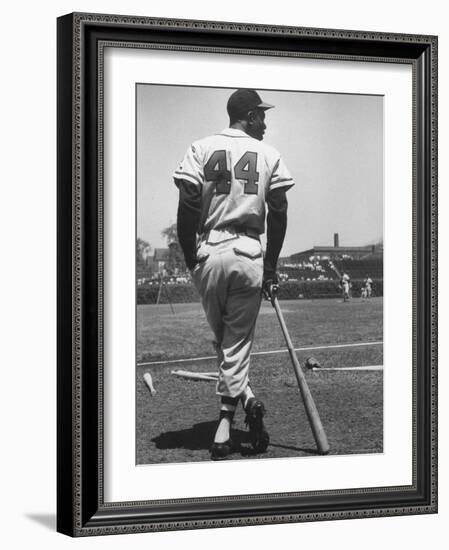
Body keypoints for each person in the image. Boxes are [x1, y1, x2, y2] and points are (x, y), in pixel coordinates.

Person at [173, 89, 294, 460]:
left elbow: (189, 202)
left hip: (209, 251)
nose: (265, 122)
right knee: (234, 343)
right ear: (247, 116)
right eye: (261, 115)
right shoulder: (269, 154)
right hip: (248, 252)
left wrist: (191, 254)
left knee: (225, 342)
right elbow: (279, 211)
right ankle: (228, 421)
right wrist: (271, 267)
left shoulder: (201, 146)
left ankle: (245, 403)